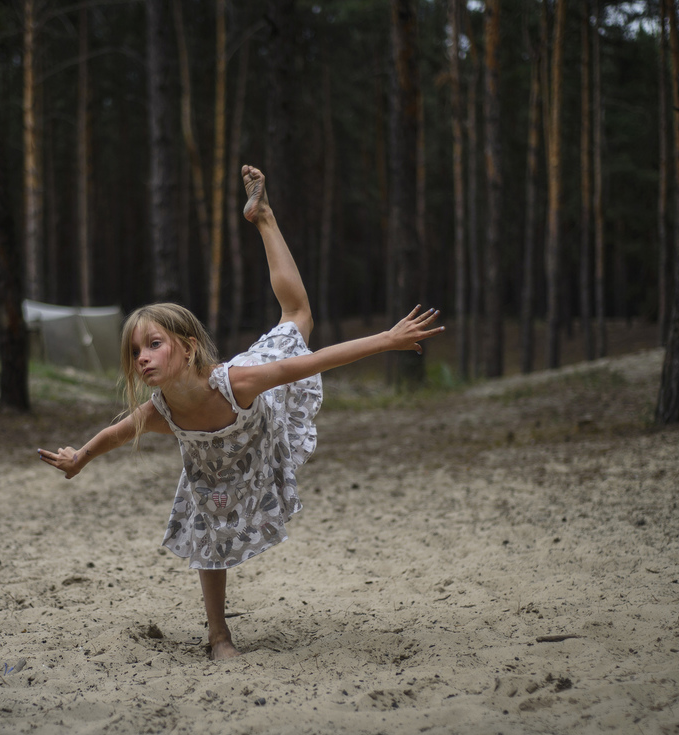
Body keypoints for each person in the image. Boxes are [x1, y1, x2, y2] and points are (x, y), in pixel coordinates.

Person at [38, 165, 444, 660]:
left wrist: (389, 339)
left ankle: (264, 217)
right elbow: (114, 434)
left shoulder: (239, 383)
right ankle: (218, 637)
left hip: (260, 414)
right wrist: (78, 459)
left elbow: (315, 360)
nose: (142, 357)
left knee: (297, 317)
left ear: (187, 348)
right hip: (212, 476)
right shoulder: (160, 410)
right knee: (207, 538)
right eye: (135, 352)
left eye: (154, 344)